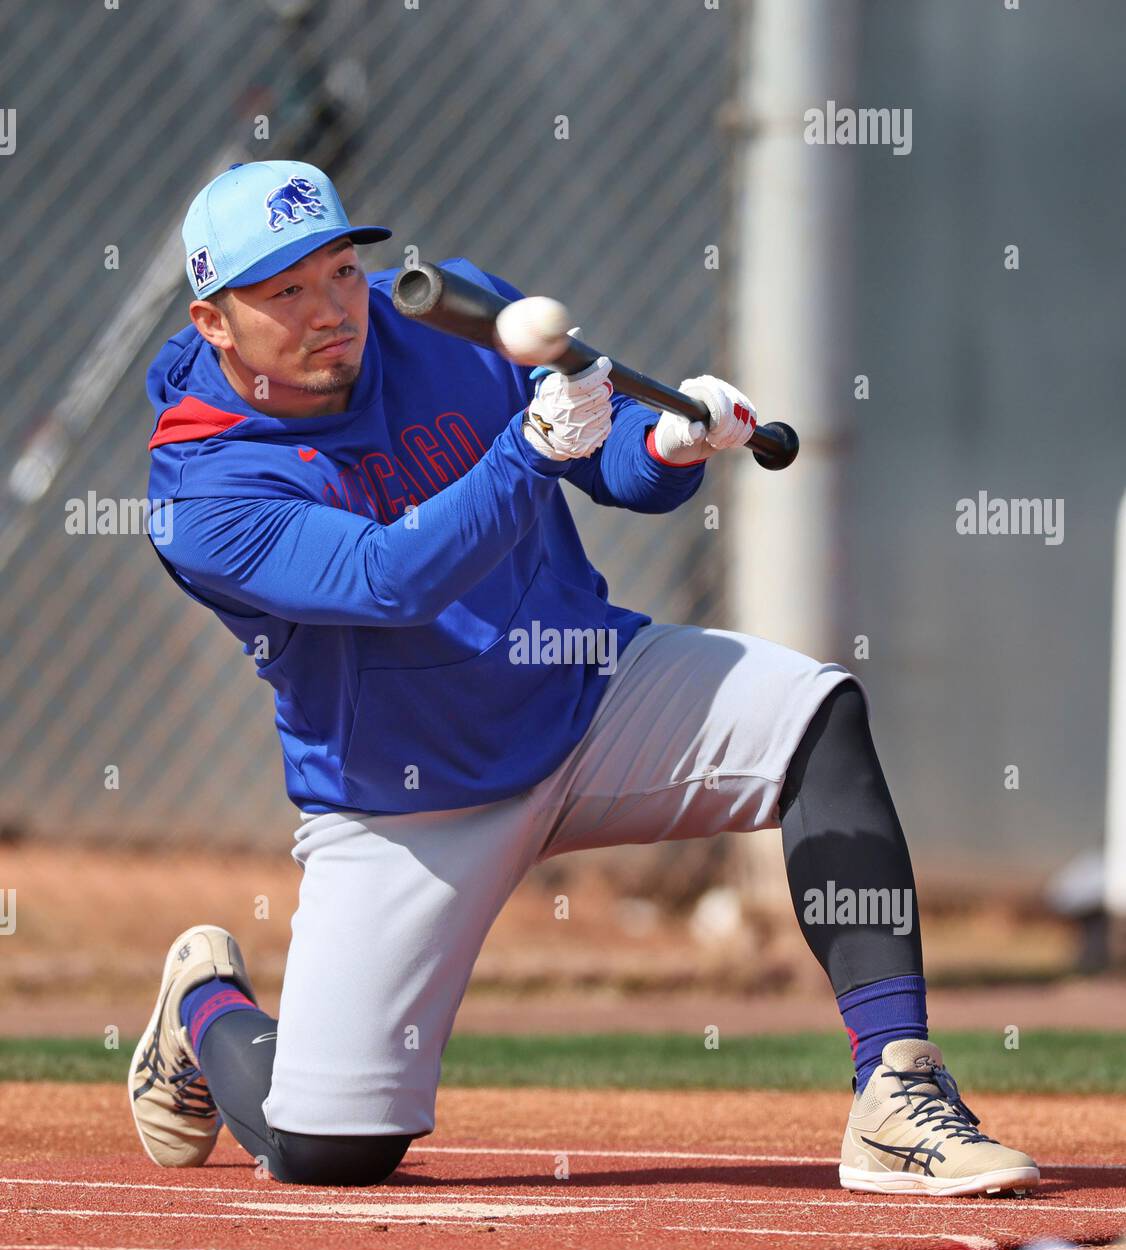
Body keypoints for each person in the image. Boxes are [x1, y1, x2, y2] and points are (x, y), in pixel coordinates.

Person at [129, 159, 1038, 1196]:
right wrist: (527, 450)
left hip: (585, 688)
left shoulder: (451, 317)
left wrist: (668, 441)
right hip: (403, 801)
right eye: (284, 291)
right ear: (213, 322)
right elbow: (388, 581)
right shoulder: (200, 486)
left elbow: (609, 464)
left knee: (813, 715)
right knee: (331, 1154)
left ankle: (894, 1089)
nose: (331, 310)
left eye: (339, 270)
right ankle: (205, 1004)